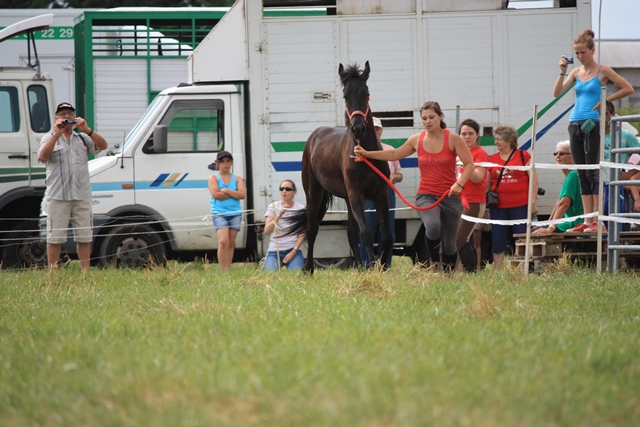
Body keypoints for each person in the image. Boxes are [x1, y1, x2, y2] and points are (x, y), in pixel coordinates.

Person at [354, 101, 474, 272]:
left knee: (449, 243)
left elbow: (469, 164)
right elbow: (394, 154)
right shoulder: (416, 140)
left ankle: (448, 275)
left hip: (450, 196)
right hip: (426, 195)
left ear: (441, 117)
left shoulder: (453, 139)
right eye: (424, 118)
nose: (428, 121)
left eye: (432, 117)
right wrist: (367, 154)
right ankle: (434, 265)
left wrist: (459, 184)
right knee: (432, 226)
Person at [553, 29, 634, 234]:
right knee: (581, 172)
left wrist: (605, 101)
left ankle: (599, 220)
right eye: (577, 53)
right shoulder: (575, 72)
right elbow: (556, 93)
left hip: (592, 123)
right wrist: (562, 70)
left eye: (583, 52)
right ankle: (588, 220)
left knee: (593, 172)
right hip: (574, 123)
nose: (580, 57)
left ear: (592, 50)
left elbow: (628, 88)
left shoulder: (602, 70)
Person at [38, 102, 109, 272]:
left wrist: (87, 129)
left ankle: (85, 272)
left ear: (74, 117)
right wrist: (57, 134)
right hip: (58, 195)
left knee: (84, 237)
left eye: (70, 114)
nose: (66, 117)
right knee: (55, 237)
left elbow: (103, 146)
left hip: (81, 194)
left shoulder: (83, 139)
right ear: (56, 118)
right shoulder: (48, 138)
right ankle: (52, 273)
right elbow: (43, 156)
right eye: (62, 114)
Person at [487, 125, 538, 270]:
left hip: (520, 205)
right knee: (498, 239)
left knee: (521, 238)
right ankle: (497, 270)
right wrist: (484, 204)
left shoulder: (523, 155)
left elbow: (534, 180)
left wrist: (532, 202)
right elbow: (487, 182)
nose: (496, 142)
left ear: (509, 140)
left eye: (498, 139)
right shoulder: (492, 159)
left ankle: (522, 268)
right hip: (498, 207)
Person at [359, 116, 403, 267]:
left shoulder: (390, 150)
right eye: (372, 129)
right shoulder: (362, 152)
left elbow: (399, 175)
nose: (375, 132)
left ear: (381, 131)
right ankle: (367, 264)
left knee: (388, 229)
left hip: (387, 192)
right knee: (367, 227)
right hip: (369, 194)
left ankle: (386, 264)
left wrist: (392, 177)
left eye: (377, 129)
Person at [455, 118, 488, 272]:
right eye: (463, 134)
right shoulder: (456, 152)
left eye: (470, 134)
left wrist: (464, 163)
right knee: (462, 238)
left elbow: (478, 177)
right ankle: (458, 272)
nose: (466, 137)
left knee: (460, 238)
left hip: (474, 202)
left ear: (477, 135)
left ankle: (471, 272)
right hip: (457, 201)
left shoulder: (480, 153)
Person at [532, 141, 584, 235]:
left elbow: (564, 204)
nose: (558, 156)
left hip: (574, 222)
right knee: (538, 228)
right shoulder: (571, 175)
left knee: (533, 231)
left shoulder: (573, 174)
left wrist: (551, 228)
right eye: (556, 153)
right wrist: (549, 223)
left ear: (573, 157)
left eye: (562, 153)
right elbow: (559, 203)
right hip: (571, 221)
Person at [601, 101, 640, 220]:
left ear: (613, 114)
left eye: (605, 114)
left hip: (613, 186)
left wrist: (629, 174)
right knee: (596, 222)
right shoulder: (592, 136)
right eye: (598, 114)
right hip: (595, 187)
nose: (601, 118)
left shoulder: (625, 135)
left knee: (613, 221)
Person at [208, 150, 246, 270]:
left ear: (231, 163)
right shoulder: (213, 178)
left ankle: (227, 268)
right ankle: (222, 268)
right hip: (219, 213)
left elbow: (242, 195)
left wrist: (225, 190)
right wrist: (234, 193)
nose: (225, 164)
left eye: (228, 161)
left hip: (235, 213)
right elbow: (215, 195)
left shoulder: (238, 179)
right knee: (223, 241)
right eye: (222, 161)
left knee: (231, 242)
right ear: (217, 164)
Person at [264, 180, 306, 271]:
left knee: (295, 275)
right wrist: (279, 215)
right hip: (274, 250)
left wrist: (294, 251)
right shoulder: (273, 206)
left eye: (287, 189)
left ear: (294, 192)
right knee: (270, 276)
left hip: (293, 250)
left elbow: (302, 233)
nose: (284, 191)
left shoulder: (300, 208)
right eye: (281, 189)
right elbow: (267, 231)